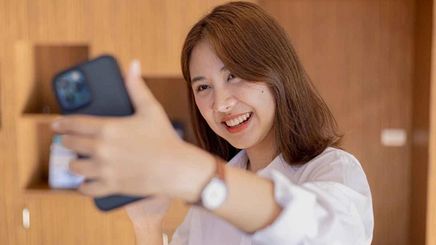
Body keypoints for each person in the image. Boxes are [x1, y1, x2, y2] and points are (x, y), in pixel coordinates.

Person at [51, 1, 374, 244]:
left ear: (278, 72)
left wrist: (189, 170)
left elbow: (324, 232)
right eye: (203, 87)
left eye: (234, 76)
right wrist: (147, 222)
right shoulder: (211, 195)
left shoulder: (334, 172)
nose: (220, 104)